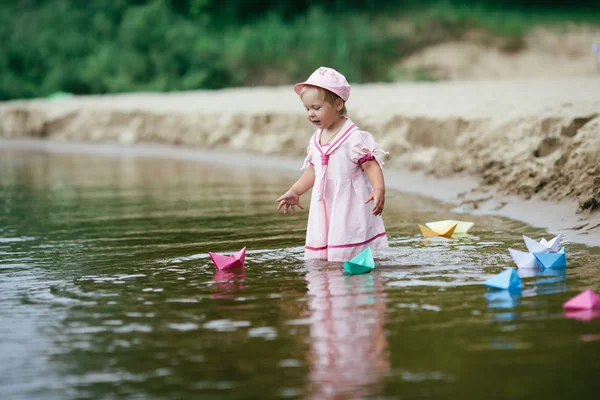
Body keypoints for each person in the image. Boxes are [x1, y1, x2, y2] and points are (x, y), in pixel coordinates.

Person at [277, 66, 389, 262]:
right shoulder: (316, 138)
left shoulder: (353, 138)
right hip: (326, 203)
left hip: (349, 203)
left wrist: (379, 189)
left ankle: (356, 274)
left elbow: (370, 164)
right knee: (327, 253)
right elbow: (314, 170)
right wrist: (295, 191)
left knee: (350, 244)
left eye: (317, 108)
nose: (311, 113)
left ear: (338, 104)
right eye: (307, 108)